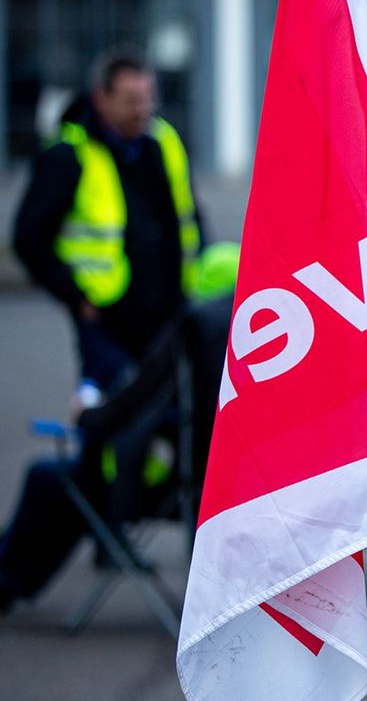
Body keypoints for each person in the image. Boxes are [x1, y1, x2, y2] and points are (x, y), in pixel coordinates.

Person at [0, 243, 237, 614]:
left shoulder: (192, 334)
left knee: (51, 478)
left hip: (169, 487)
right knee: (66, 482)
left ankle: (8, 584)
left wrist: (86, 416)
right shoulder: (267, 359)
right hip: (227, 491)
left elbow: (127, 408)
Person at [13, 49, 204, 391]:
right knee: (112, 417)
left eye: (148, 98)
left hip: (169, 313)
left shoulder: (163, 142)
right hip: (106, 320)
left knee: (178, 414)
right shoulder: (68, 155)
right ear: (102, 98)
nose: (143, 109)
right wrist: (76, 297)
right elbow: (28, 238)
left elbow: (190, 217)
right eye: (132, 100)